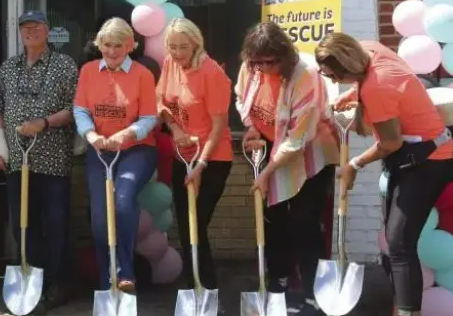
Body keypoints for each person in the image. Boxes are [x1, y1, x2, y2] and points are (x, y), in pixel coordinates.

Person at [316, 32, 453, 316]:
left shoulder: (377, 89)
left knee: (400, 243)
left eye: (333, 75)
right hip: (415, 155)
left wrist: (354, 165)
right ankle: (402, 306)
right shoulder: (369, 49)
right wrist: (354, 94)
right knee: (396, 243)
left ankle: (407, 312)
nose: (332, 82)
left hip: (431, 159)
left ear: (347, 65)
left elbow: (391, 142)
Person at [235, 22, 338, 315]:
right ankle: (277, 287)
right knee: (273, 223)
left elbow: (298, 139)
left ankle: (313, 294)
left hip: (310, 156)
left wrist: (267, 175)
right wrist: (251, 128)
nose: (265, 68)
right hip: (270, 149)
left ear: (285, 55)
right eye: (259, 62)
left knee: (305, 224)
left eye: (272, 61)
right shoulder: (250, 68)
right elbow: (242, 98)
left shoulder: (306, 76)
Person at [0, 10, 77, 309]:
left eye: (37, 26)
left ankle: (57, 283)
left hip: (52, 161)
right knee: (22, 225)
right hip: (17, 160)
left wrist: (44, 122)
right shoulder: (8, 68)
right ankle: (32, 281)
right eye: (26, 27)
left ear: (47, 31)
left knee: (55, 224)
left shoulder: (64, 66)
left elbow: (75, 108)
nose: (31, 31)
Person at [73, 17, 158, 293]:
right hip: (100, 151)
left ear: (130, 46)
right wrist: (90, 135)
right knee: (99, 217)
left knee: (122, 202)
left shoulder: (142, 74)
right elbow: (80, 110)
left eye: (118, 45)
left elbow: (149, 117)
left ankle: (125, 273)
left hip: (136, 150)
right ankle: (106, 277)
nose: (111, 51)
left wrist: (127, 134)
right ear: (100, 44)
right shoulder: (88, 71)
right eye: (107, 45)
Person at [155, 18, 233, 296]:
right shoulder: (170, 64)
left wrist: (201, 165)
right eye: (172, 47)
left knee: (196, 223)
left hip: (213, 159)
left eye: (183, 47)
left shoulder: (212, 73)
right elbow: (160, 101)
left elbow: (219, 126)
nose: (177, 53)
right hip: (182, 155)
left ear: (196, 43)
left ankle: (208, 288)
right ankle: (195, 288)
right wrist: (175, 128)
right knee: (187, 226)